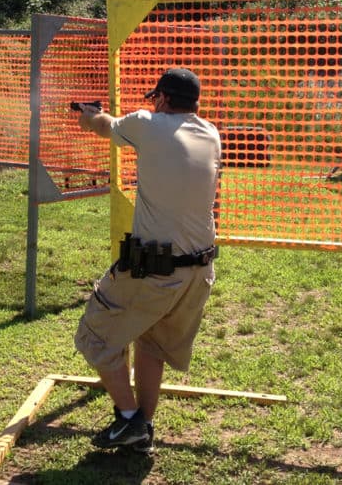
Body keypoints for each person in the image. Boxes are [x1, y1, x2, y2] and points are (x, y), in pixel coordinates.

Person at [73, 68, 221, 454]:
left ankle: (127, 419)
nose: (152, 103)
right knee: (151, 343)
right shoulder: (211, 133)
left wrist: (89, 114)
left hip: (156, 270)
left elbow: (103, 126)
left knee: (95, 337)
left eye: (157, 97)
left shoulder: (145, 123)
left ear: (166, 99)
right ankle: (144, 428)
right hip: (199, 272)